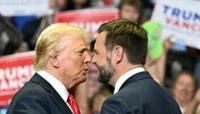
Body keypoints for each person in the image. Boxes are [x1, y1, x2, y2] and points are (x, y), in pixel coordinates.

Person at [92, 19, 181, 114]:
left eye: (97, 53)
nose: (93, 60)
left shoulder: (117, 104)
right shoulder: (169, 101)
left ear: (118, 53)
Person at [6, 23, 91, 114]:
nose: (88, 59)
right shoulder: (31, 98)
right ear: (55, 59)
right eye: (81, 52)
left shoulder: (57, 96)